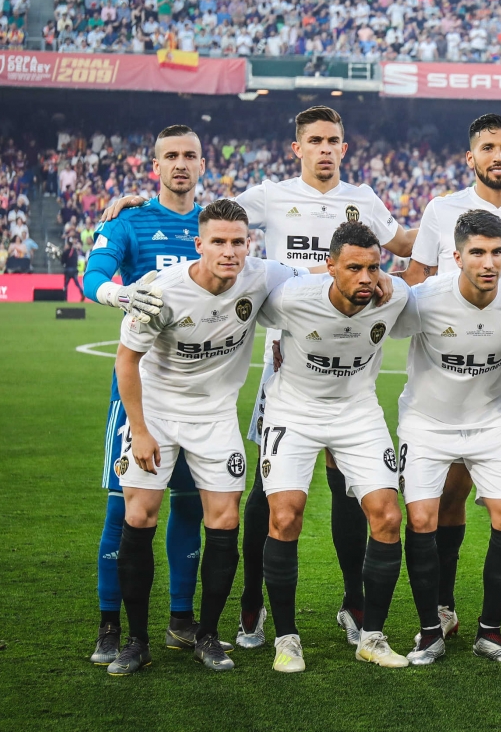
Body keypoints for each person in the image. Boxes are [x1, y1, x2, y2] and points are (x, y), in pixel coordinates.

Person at [101, 107, 415, 650]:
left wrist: (388, 267)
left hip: (347, 357)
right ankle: (251, 606)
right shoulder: (269, 195)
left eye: (333, 140)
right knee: (269, 493)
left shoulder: (364, 199)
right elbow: (211, 220)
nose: (324, 148)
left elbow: (406, 244)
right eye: (314, 140)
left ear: (345, 147)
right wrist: (138, 202)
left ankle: (353, 602)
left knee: (349, 484)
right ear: (297, 147)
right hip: (286, 361)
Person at [106, 199, 301, 675]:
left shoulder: (264, 276)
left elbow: (320, 281)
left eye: (238, 241)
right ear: (199, 245)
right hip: (158, 413)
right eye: (219, 241)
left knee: (224, 519)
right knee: (139, 513)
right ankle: (135, 642)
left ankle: (208, 636)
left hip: (215, 417)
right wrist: (140, 430)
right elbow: (125, 362)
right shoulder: (163, 291)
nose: (230, 251)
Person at [401, 113, 501, 641]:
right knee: (449, 491)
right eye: (488, 147)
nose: (498, 155)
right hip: (454, 377)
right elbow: (416, 282)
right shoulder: (441, 210)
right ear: (470, 157)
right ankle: (443, 605)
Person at [256, 221, 412, 673]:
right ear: (330, 267)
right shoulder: (291, 298)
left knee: (387, 516)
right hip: (294, 410)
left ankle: (373, 636)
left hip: (358, 411)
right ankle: (286, 639)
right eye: (354, 268)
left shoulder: (394, 296)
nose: (365, 278)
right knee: (284, 516)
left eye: (373, 267)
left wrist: (390, 278)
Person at [392, 210, 501, 665]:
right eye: (477, 252)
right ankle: (430, 631)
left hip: (490, 420)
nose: (489, 262)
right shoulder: (424, 299)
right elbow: (379, 321)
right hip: (426, 422)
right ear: (456, 257)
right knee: (421, 519)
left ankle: (490, 632)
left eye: (498, 252)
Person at [83, 124, 207, 666]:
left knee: (190, 506)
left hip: (200, 395)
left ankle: (182, 620)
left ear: (203, 164)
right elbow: (93, 275)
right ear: (153, 165)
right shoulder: (128, 220)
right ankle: (110, 625)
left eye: (190, 156)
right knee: (124, 508)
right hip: (139, 395)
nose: (181, 164)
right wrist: (119, 293)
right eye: (170, 156)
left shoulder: (215, 227)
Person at [62, 236, 83, 301]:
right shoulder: (75, 252)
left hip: (68, 270)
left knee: (65, 284)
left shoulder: (66, 252)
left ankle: (64, 297)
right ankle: (82, 293)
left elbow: (63, 261)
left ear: (68, 246)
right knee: (77, 283)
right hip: (74, 269)